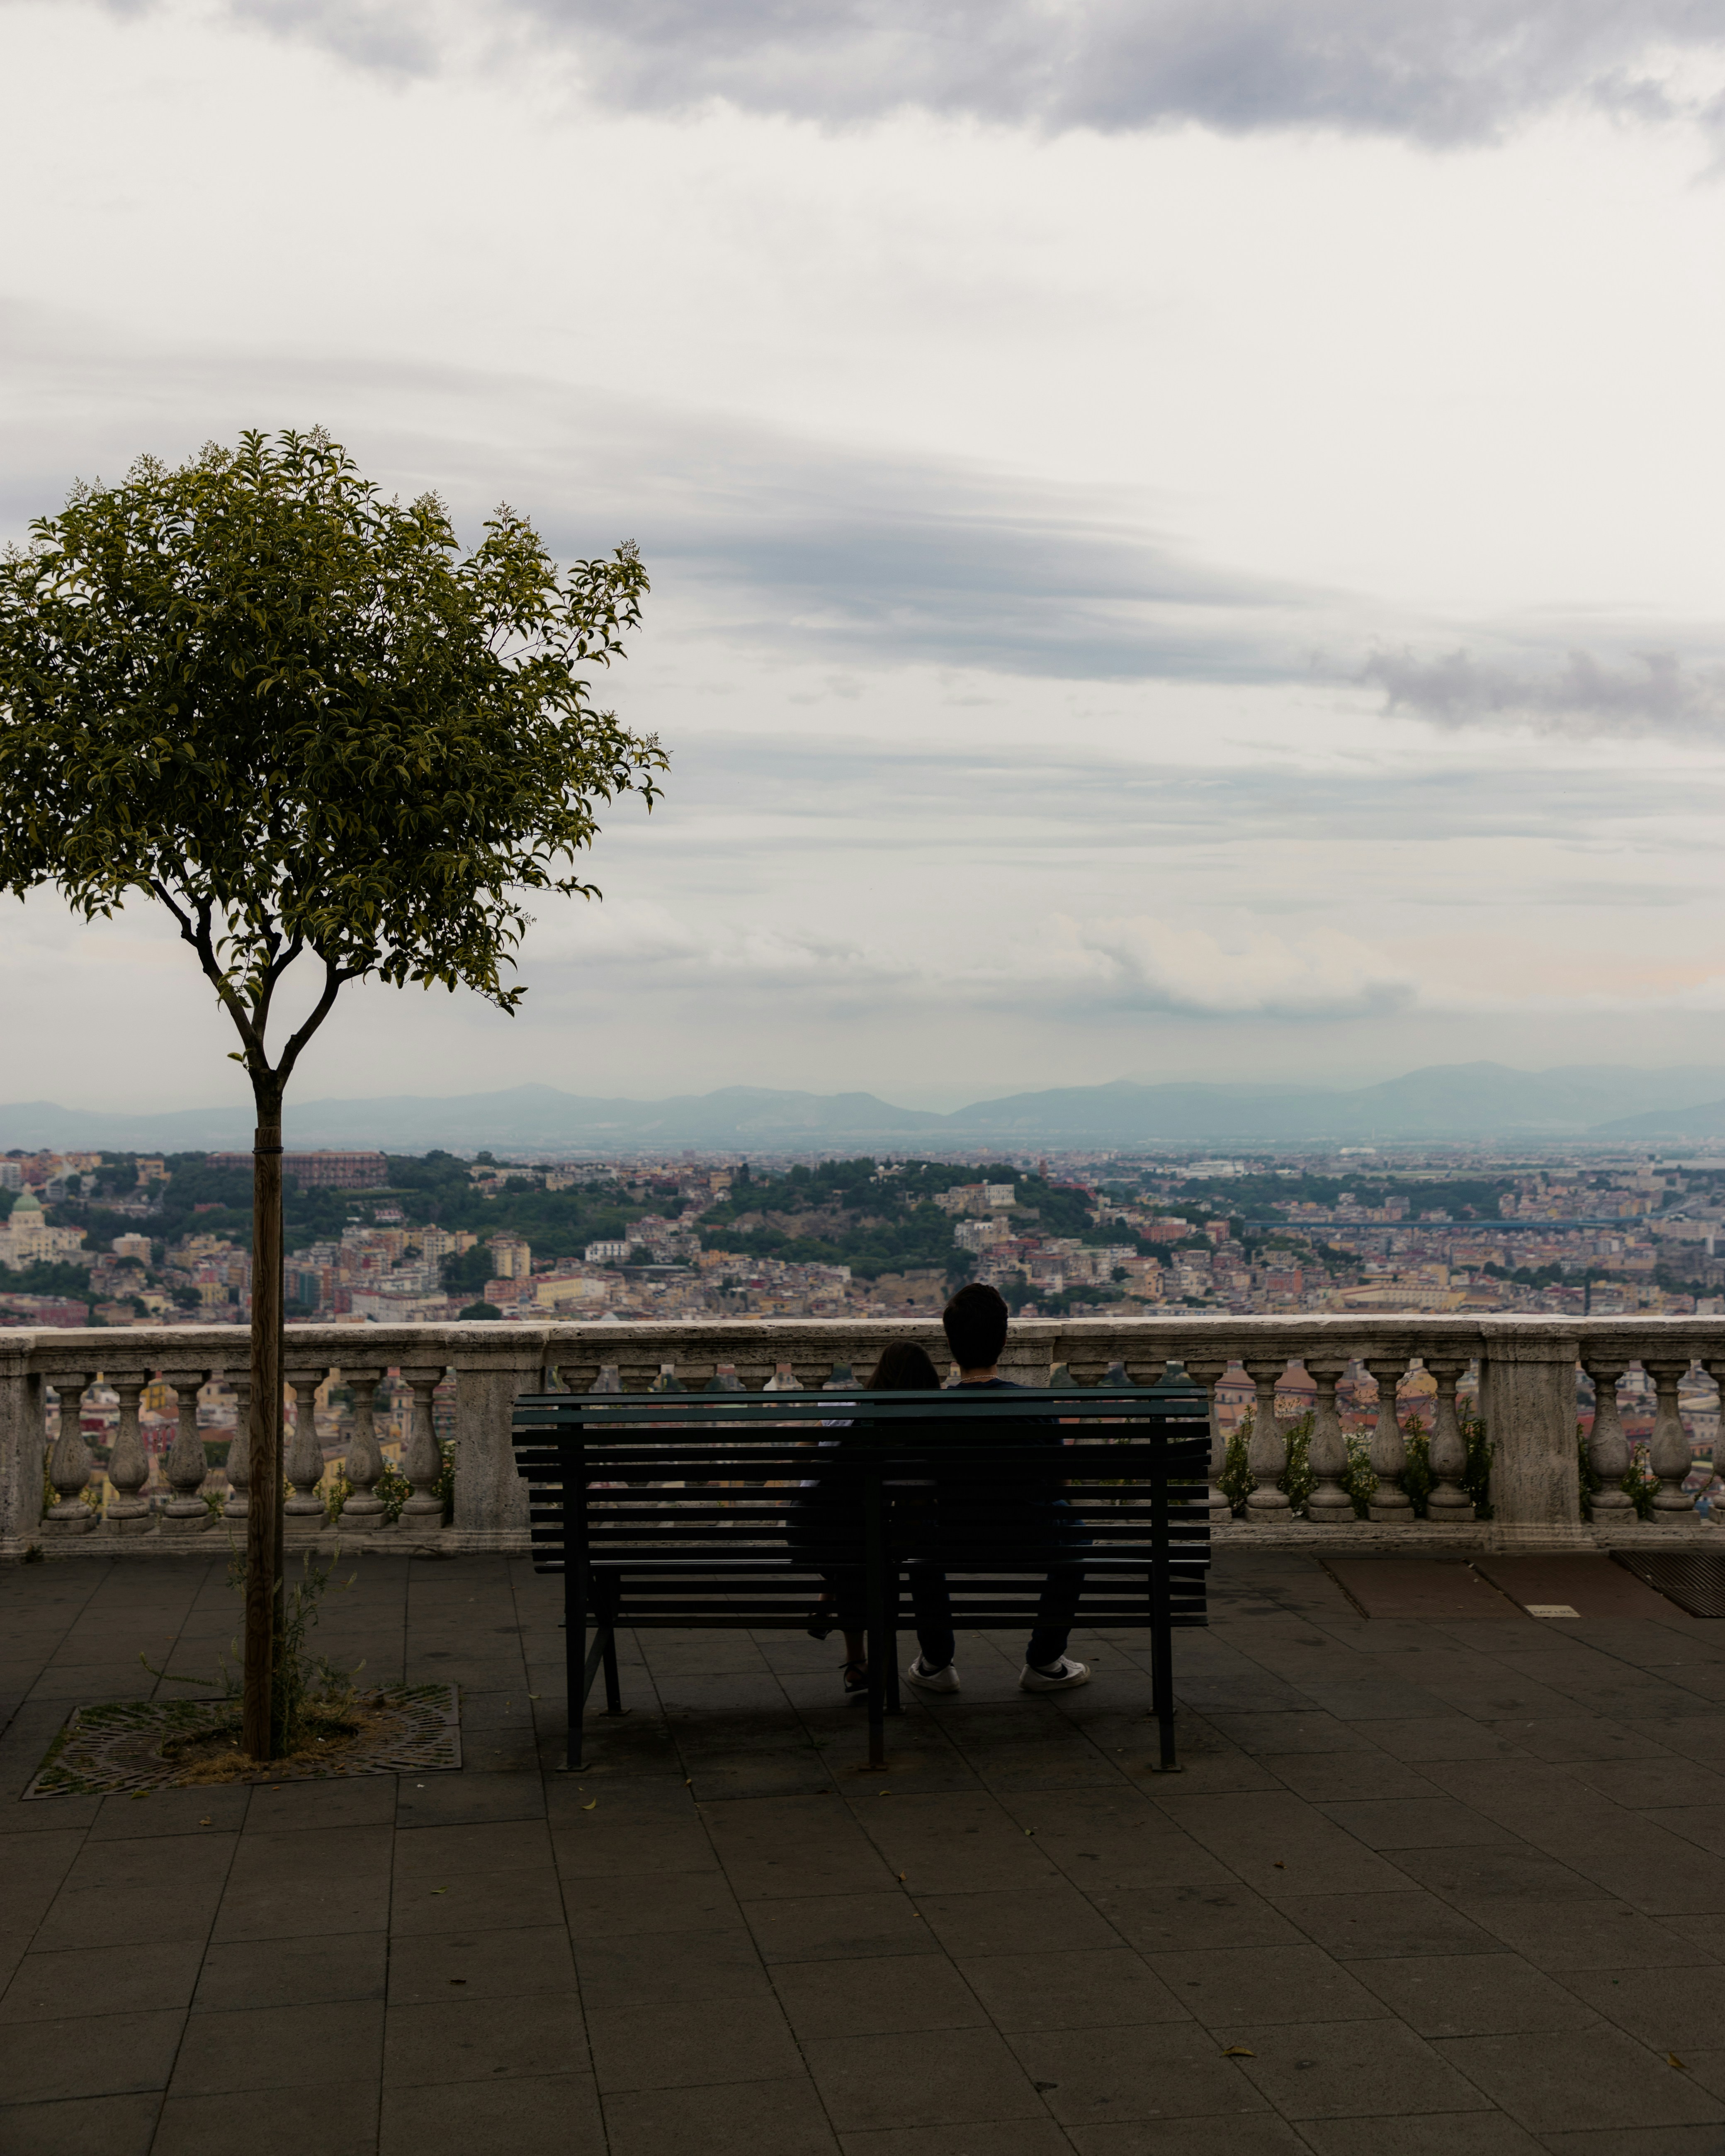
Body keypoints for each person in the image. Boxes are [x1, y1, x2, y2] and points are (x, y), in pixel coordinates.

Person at [904, 1282, 1090, 1696]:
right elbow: (1059, 1484)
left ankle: (936, 1661)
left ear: (950, 1344)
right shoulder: (1034, 1407)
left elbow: (919, 1488)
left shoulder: (929, 1412)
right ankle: (1044, 1659)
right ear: (1003, 1341)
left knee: (915, 1530)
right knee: (1075, 1531)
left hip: (949, 1539)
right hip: (1029, 1535)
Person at [793, 1339, 943, 1696]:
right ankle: (876, 1667)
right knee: (873, 1552)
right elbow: (915, 1505)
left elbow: (802, 1455)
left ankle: (853, 1656)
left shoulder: (847, 1407)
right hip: (857, 1538)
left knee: (853, 1545)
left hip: (808, 1528)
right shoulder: (914, 1433)